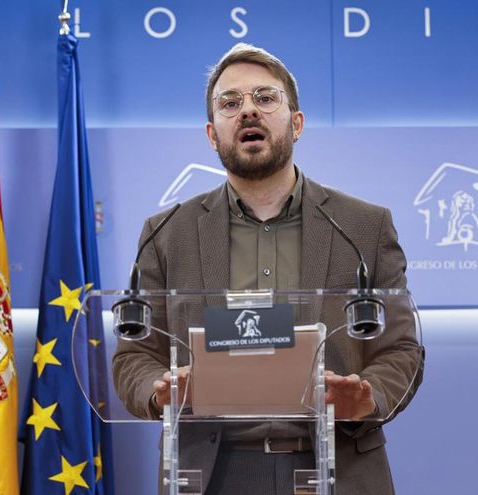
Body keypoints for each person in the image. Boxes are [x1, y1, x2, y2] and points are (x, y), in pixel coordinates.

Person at [113, 43, 423, 494]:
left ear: (296, 123)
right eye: (230, 103)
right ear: (211, 133)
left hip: (337, 467)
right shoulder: (165, 233)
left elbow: (402, 351)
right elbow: (133, 356)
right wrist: (159, 390)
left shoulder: (365, 227)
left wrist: (367, 397)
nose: (247, 112)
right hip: (208, 474)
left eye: (265, 98)